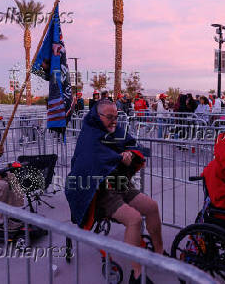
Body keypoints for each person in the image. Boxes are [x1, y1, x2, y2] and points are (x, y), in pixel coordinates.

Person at [65, 100, 163, 284]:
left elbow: (132, 145)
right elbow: (92, 158)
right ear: (98, 116)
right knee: (133, 219)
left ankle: (160, 254)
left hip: (119, 183)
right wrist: (119, 157)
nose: (114, 122)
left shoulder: (114, 130)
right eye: (110, 117)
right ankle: (137, 274)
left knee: (151, 206)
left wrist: (131, 154)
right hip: (99, 191)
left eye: (116, 117)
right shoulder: (90, 134)